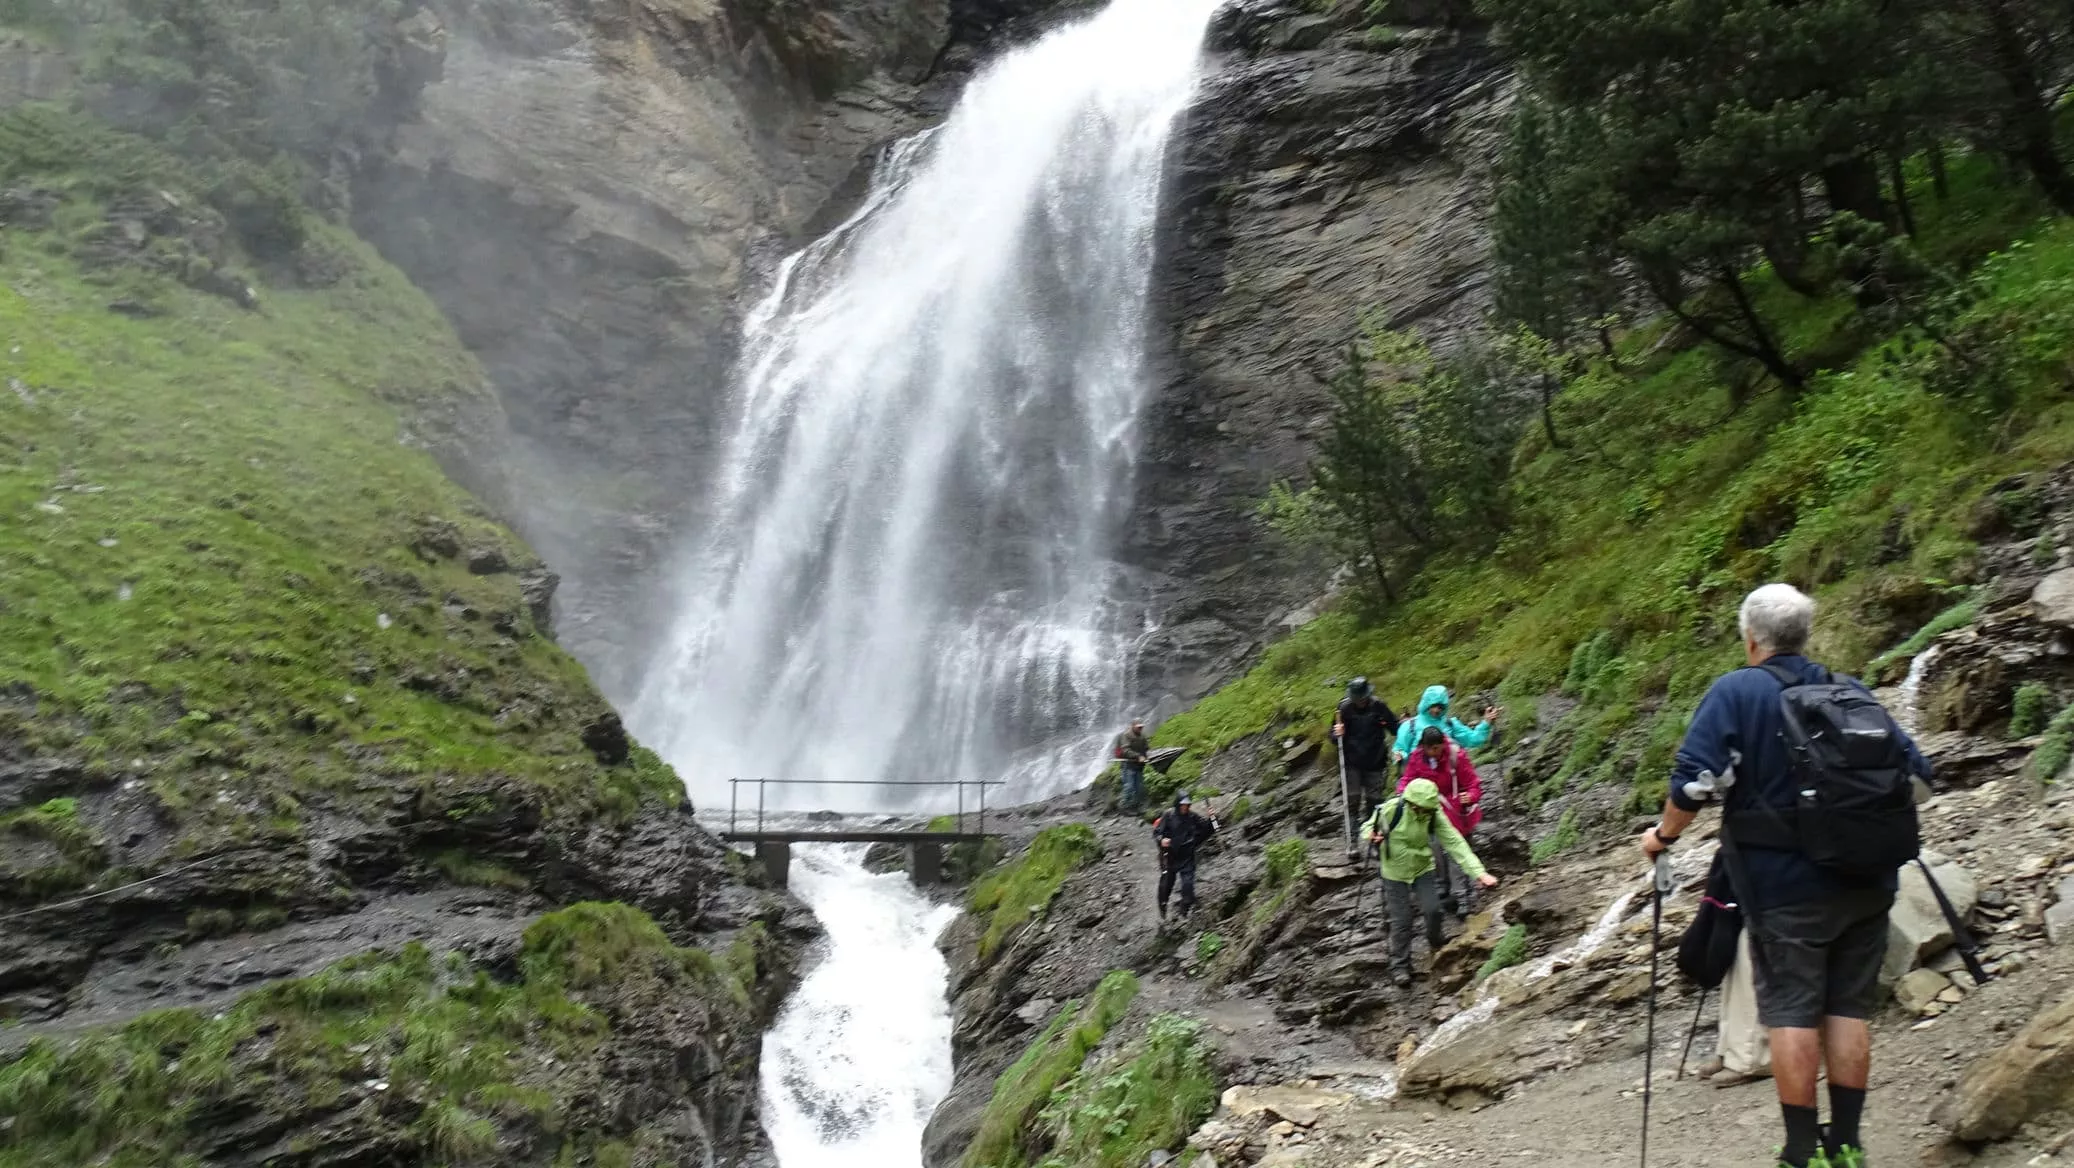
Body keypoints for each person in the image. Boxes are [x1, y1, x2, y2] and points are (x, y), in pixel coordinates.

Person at [1642, 583, 1932, 1168]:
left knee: (1793, 1009)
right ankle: (1847, 1146)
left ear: (1751, 637)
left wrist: (1663, 837)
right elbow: (1919, 779)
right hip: (1869, 880)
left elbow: (1695, 784)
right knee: (1849, 1009)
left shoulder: (1736, 691)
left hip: (1784, 887)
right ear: (1805, 633)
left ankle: (1803, 1151)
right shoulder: (1849, 690)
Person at [1364, 777, 1499, 986]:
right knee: (1402, 921)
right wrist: (1372, 835)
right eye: (1419, 809)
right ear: (1409, 803)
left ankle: (1435, 941)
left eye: (1427, 809)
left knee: (1434, 910)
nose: (1423, 813)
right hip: (1394, 871)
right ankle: (1400, 966)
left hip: (1422, 868)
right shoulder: (1391, 810)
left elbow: (1455, 843)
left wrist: (1479, 873)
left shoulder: (1434, 815)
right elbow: (1367, 827)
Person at [1397, 725, 1485, 918]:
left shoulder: (1456, 756)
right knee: (1436, 851)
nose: (1435, 753)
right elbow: (1407, 779)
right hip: (1431, 812)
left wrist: (1470, 796)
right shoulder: (1417, 759)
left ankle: (1464, 898)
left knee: (1456, 854)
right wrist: (1402, 795)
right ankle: (1444, 890)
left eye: (1438, 748)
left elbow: (1473, 783)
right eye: (1431, 749)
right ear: (1424, 747)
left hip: (1456, 812)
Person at [1333, 677, 1401, 821]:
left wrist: (1405, 726)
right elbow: (1333, 736)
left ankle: (1372, 830)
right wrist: (1337, 733)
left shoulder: (1379, 706)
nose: (1361, 701)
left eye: (1363, 698)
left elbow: (1395, 728)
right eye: (1357, 699)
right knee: (1353, 797)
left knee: (1375, 800)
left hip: (1375, 759)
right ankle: (1352, 829)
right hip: (1352, 761)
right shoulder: (1343, 709)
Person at [1392, 685, 1500, 762]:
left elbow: (1472, 739)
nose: (1436, 710)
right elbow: (1399, 748)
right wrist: (1400, 755)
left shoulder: (1450, 724)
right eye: (1433, 706)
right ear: (1426, 704)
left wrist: (1486, 722)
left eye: (1440, 707)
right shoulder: (1410, 726)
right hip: (1419, 783)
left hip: (1448, 779)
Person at [1153, 792, 1218, 921]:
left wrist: (1213, 819)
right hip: (1169, 856)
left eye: (1187, 805)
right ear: (1177, 804)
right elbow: (1157, 832)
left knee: (1188, 885)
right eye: (1182, 805)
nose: (1185, 807)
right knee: (1166, 885)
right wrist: (1161, 840)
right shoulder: (1169, 815)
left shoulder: (1192, 817)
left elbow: (1213, 828)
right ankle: (1163, 906)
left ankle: (1184, 913)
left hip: (1187, 856)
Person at [1113, 719, 1151, 814]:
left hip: (1139, 766)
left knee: (1139, 787)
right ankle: (1124, 807)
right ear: (1133, 726)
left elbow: (1146, 748)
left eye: (1141, 727)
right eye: (1138, 727)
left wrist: (1149, 755)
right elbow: (1125, 750)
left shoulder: (1142, 736)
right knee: (1129, 787)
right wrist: (1138, 756)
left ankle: (1135, 807)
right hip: (1128, 765)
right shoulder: (1126, 735)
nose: (1140, 729)